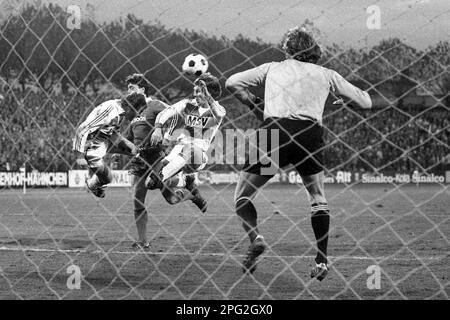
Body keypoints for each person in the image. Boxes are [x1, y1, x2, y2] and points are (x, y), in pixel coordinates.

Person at [225, 27, 372, 280]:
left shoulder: (272, 68)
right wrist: (344, 100)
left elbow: (231, 82)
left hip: (274, 131)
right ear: (313, 50)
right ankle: (322, 260)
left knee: (242, 196)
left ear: (288, 49)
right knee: (317, 196)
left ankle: (256, 237)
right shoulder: (326, 74)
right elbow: (365, 102)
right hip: (309, 134)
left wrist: (253, 103)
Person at [146, 73, 226, 213]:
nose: (195, 95)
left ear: (209, 92)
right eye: (194, 91)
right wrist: (158, 128)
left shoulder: (218, 109)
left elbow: (219, 115)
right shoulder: (187, 104)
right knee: (150, 184)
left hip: (198, 155)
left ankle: (163, 175)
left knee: (190, 149)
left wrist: (208, 97)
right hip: (178, 151)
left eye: (199, 91)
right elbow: (165, 113)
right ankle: (190, 189)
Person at [73, 92, 146, 198]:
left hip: (103, 141)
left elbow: (113, 134)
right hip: (91, 147)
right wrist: (79, 156)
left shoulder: (120, 113)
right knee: (108, 178)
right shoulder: (110, 109)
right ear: (130, 107)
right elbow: (82, 129)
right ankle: (92, 185)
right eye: (138, 111)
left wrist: (128, 146)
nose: (138, 115)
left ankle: (92, 185)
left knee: (136, 150)